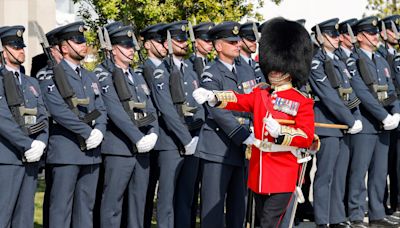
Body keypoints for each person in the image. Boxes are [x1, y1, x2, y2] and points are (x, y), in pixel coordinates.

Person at [193, 17, 316, 228]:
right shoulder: (261, 94)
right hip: (259, 172)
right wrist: (214, 96)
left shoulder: (301, 101)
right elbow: (239, 99)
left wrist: (282, 132)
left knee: (270, 222)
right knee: (257, 219)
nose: (273, 71)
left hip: (282, 173)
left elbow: (306, 137)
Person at [38, 21, 107, 228]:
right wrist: (87, 132)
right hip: (66, 151)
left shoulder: (89, 75)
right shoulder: (51, 76)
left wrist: (100, 131)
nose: (83, 45)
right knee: (61, 209)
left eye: (83, 40)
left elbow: (101, 108)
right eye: (77, 41)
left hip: (91, 153)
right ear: (64, 47)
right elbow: (58, 111)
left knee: (85, 209)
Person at [150, 20, 205, 228]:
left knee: (186, 198)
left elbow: (199, 105)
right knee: (167, 198)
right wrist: (186, 139)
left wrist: (196, 133)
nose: (184, 44)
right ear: (167, 44)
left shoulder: (190, 70)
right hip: (171, 143)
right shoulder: (160, 72)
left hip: (193, 139)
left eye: (184, 40)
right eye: (179, 40)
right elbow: (166, 110)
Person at [309, 18, 363, 228]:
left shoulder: (338, 61)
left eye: (336, 35)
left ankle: (337, 217)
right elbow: (328, 96)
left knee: (339, 175)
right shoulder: (316, 62)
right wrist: (350, 119)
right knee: (325, 174)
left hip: (344, 126)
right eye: (332, 35)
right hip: (327, 125)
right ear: (321, 38)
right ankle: (322, 219)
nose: (336, 39)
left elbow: (349, 93)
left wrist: (356, 115)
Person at [348, 16, 400, 227]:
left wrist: (396, 112)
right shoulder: (354, 60)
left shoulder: (380, 60)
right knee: (359, 172)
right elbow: (361, 92)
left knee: (379, 171)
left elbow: (391, 90)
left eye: (376, 33)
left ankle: (377, 212)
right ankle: (357, 213)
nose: (375, 36)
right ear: (359, 36)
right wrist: (384, 115)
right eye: (370, 33)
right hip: (368, 124)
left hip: (384, 125)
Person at [0, 25, 48, 228]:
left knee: (25, 217)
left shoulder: (31, 82)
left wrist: (40, 143)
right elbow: (3, 119)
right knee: (3, 215)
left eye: (22, 46)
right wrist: (27, 145)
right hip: (7, 158)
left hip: (31, 159)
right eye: (15, 46)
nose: (21, 50)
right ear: (4, 50)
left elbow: (43, 116)